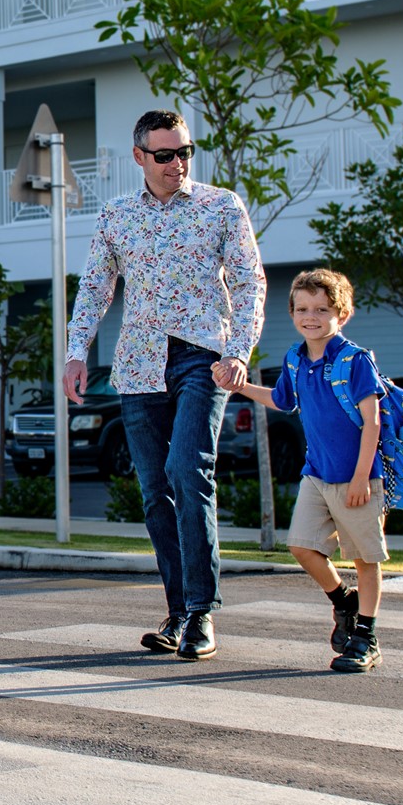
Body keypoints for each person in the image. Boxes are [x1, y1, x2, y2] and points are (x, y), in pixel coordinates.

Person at [63, 109, 264, 661]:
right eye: (164, 155)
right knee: (155, 491)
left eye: (184, 153)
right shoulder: (116, 215)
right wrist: (76, 353)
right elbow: (94, 289)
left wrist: (237, 352)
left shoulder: (221, 206)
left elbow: (250, 281)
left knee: (188, 470)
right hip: (138, 365)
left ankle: (202, 613)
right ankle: (177, 612)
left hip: (204, 357)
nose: (177, 164)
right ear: (139, 158)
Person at [226, 268, 387, 673]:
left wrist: (360, 479)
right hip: (316, 473)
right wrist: (239, 386)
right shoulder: (295, 359)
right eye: (301, 309)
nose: (310, 316)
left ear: (341, 314)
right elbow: (283, 401)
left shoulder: (355, 361)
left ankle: (366, 638)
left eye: (321, 309)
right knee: (301, 546)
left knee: (366, 560)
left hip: (358, 478)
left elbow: (373, 423)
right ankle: (343, 602)